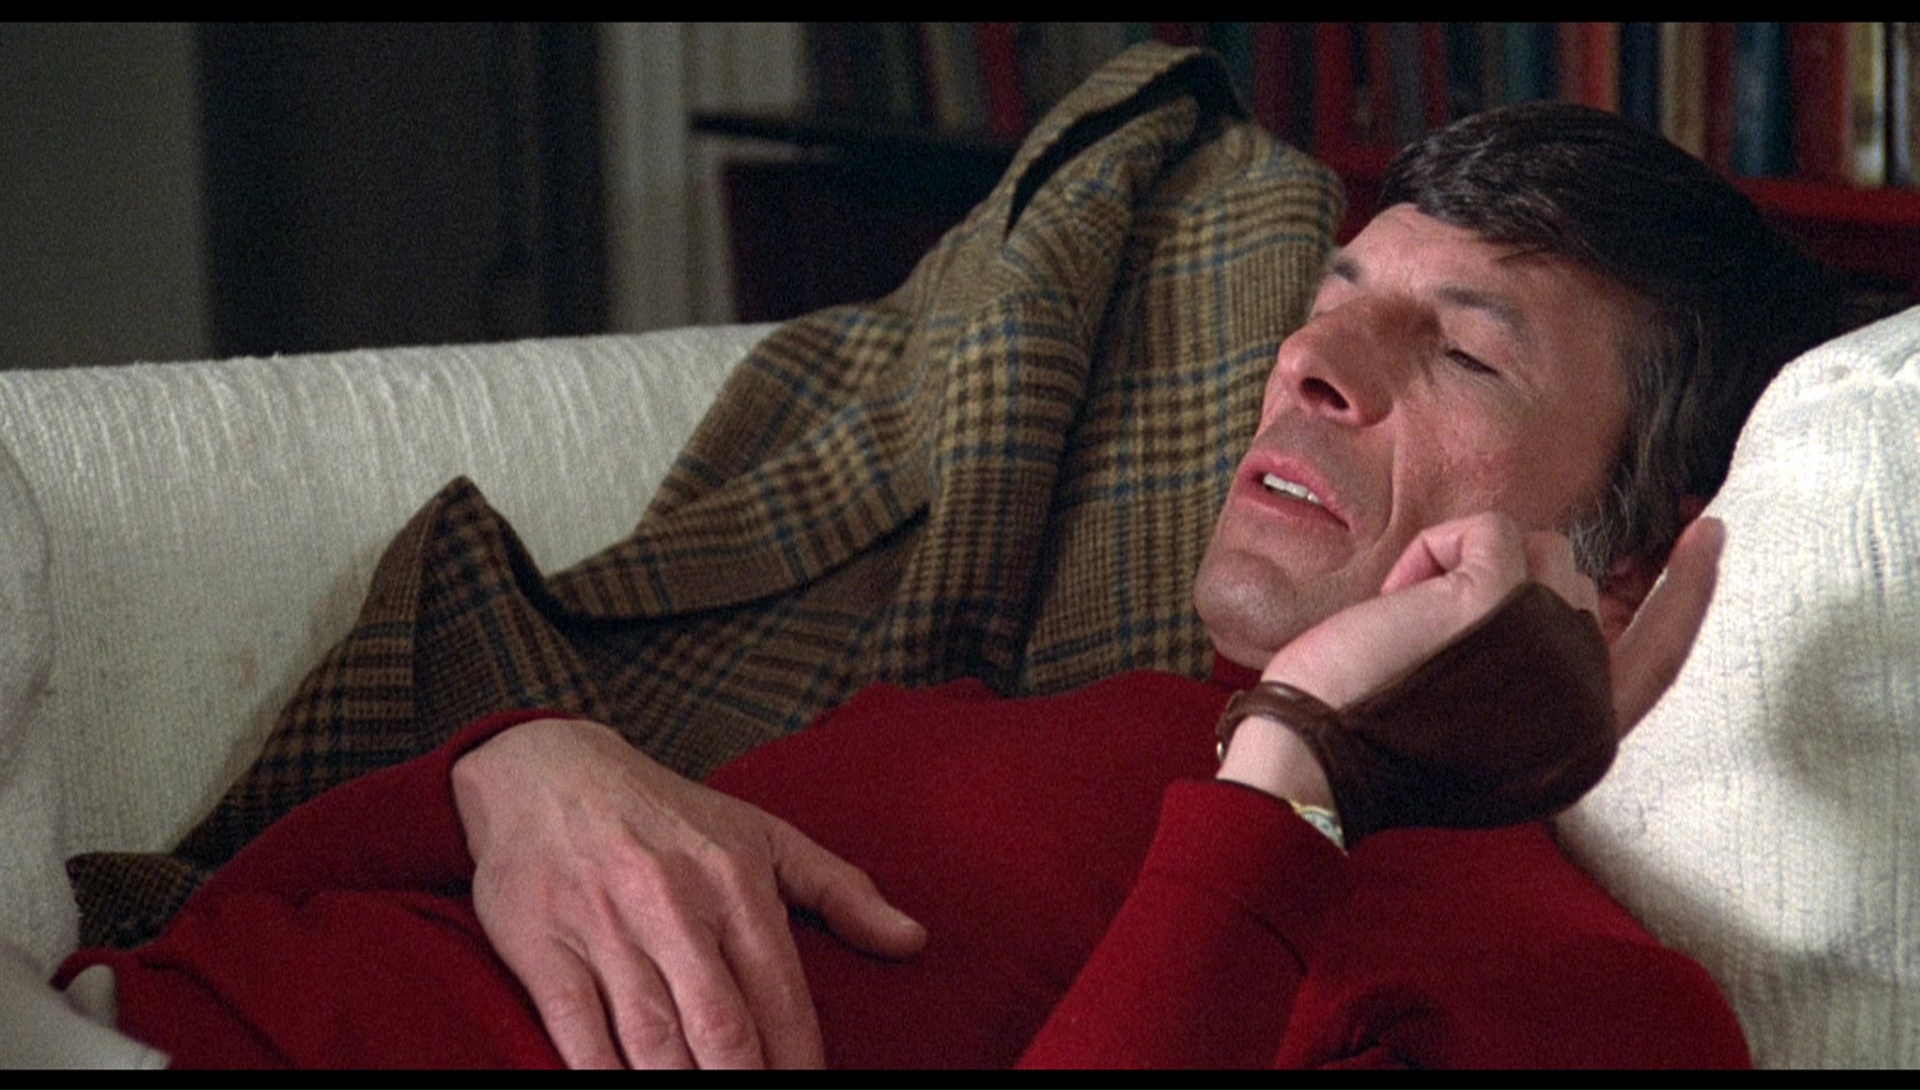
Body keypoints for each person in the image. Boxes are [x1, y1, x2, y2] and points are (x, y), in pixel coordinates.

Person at [58, 100, 1838, 1068]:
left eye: (1460, 350)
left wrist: (1298, 774)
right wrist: (510, 773)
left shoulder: (1586, 996)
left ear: (1629, 567)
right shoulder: (1097, 710)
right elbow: (208, 915)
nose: (1308, 361)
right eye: (1333, 300)